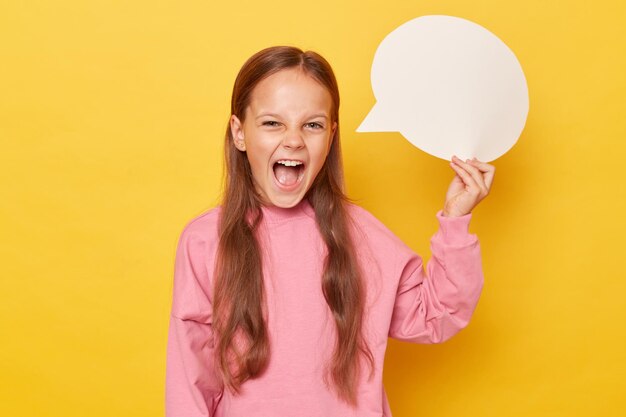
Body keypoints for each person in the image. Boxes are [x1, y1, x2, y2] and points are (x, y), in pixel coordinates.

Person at [165, 45, 495, 417]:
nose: (293, 140)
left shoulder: (361, 235)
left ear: (331, 136)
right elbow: (190, 378)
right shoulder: (205, 240)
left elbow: (436, 315)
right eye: (273, 123)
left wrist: (454, 219)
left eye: (313, 125)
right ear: (239, 133)